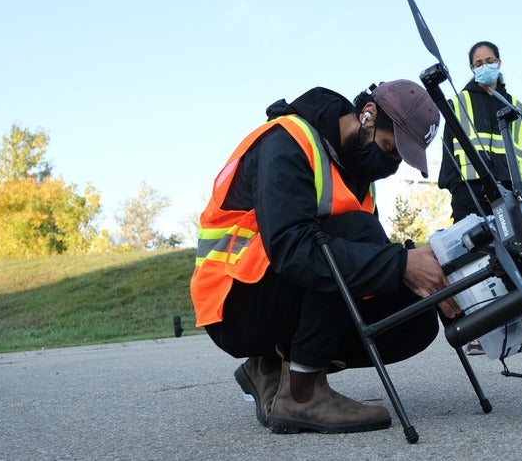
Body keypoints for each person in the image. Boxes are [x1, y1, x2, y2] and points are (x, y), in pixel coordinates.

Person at [190, 80, 460, 435]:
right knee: (361, 237)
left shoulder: (359, 175)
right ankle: (302, 393)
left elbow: (365, 257)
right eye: (389, 149)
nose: (390, 165)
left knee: (415, 318)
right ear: (368, 115)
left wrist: (425, 279)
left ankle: (271, 364)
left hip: (280, 290)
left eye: (398, 160)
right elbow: (293, 249)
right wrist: (399, 264)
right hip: (235, 301)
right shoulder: (286, 141)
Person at [437, 41, 522, 355]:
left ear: (500, 63)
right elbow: (449, 149)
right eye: (479, 62)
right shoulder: (458, 102)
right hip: (469, 191)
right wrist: (455, 187)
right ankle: (477, 329)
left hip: (506, 189)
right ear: (472, 68)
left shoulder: (515, 105)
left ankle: (512, 326)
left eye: (490, 60)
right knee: (471, 263)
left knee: (511, 255)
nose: (485, 66)